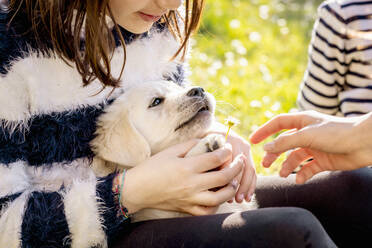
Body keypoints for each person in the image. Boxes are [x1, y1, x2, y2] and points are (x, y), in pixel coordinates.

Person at [0, 0, 338, 247]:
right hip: (92, 236)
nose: (173, 4)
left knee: (354, 187)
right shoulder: (9, 47)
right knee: (293, 231)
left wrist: (216, 135)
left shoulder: (153, 17)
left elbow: (175, 114)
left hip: (170, 210)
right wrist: (127, 192)